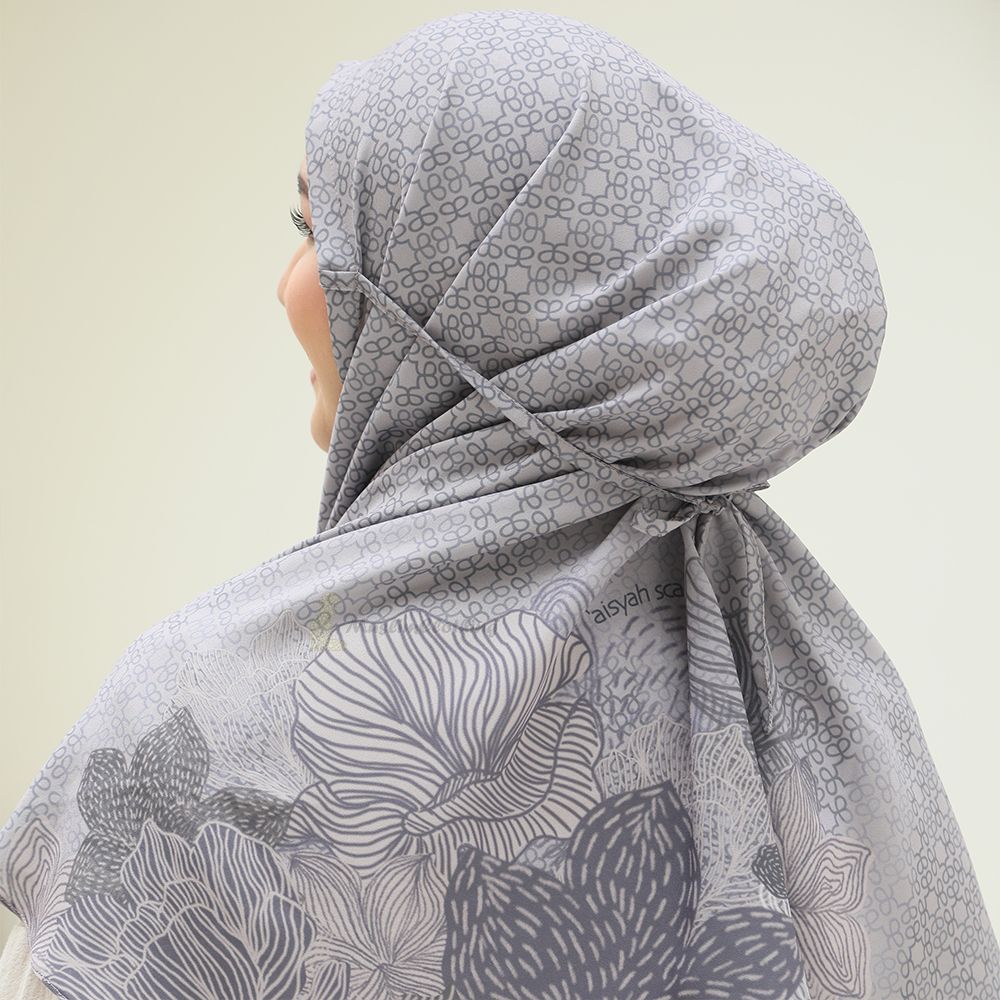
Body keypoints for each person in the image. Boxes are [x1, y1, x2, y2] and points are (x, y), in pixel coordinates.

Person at [1, 10, 998, 999]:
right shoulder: (822, 712)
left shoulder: (208, 720)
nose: (289, 286)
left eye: (321, 231)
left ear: (488, 299)